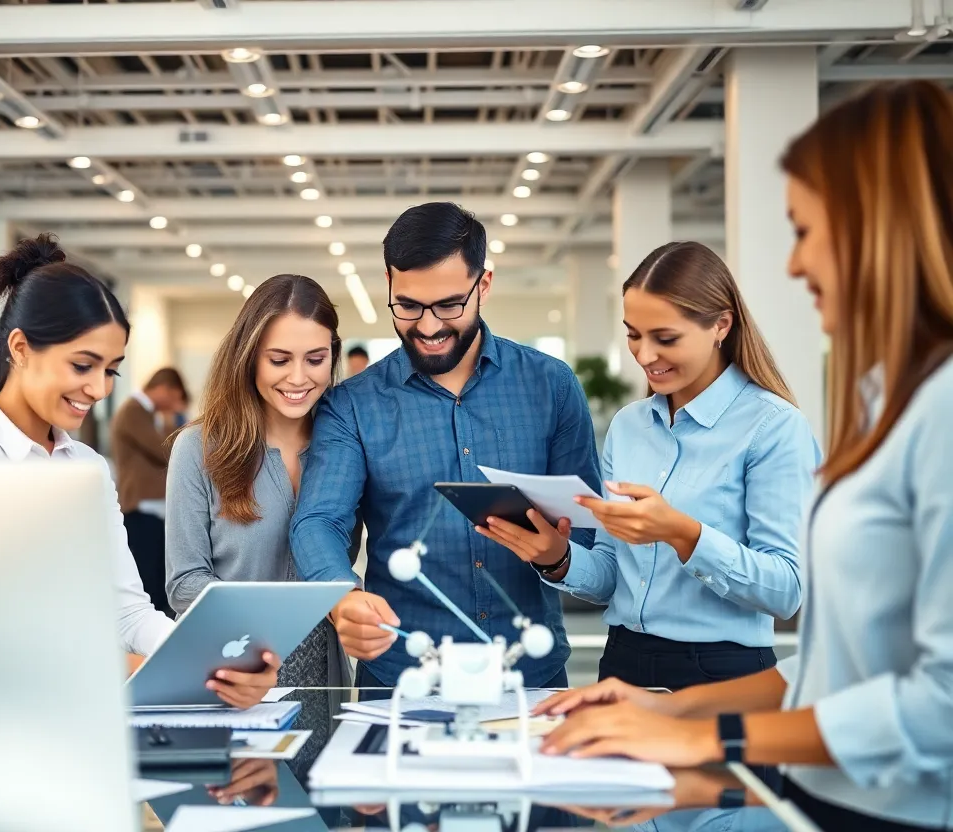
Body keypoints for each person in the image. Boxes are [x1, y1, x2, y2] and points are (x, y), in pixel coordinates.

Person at [532, 80, 953, 831]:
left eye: (806, 230)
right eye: (635, 336)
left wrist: (701, 729)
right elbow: (835, 669)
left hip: (861, 784)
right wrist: (561, 564)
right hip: (705, 704)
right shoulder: (886, 403)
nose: (792, 266)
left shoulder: (816, 423)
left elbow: (927, 697)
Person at [0, 233, 279, 709]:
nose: (99, 388)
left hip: (84, 714)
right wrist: (138, 667)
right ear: (21, 348)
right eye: (83, 365)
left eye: (111, 369)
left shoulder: (87, 467)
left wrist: (211, 661)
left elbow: (128, 611)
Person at [290, 201, 602, 692]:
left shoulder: (552, 387)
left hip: (530, 675)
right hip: (401, 678)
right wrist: (342, 595)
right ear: (389, 287)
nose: (429, 326)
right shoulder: (353, 405)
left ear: (484, 285)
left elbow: (586, 536)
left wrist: (556, 555)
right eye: (408, 306)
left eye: (450, 305)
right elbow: (318, 521)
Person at [490, 240, 818, 692]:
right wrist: (558, 558)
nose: (644, 356)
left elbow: (786, 591)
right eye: (633, 334)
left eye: (665, 338)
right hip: (624, 663)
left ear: (721, 325)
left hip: (722, 676)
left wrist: (682, 533)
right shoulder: (628, 427)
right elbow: (611, 577)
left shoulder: (773, 428)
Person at [165, 273, 350, 688]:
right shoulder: (199, 447)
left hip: (321, 672)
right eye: (279, 360)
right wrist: (267, 624)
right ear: (249, 356)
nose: (299, 378)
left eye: (316, 359)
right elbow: (183, 584)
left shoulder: (343, 446)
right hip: (229, 664)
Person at [110, 367, 189, 617]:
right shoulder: (133, 411)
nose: (176, 404)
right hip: (141, 510)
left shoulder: (147, 413)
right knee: (149, 587)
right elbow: (167, 451)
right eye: (174, 396)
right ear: (163, 388)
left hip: (154, 511)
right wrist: (173, 417)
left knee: (157, 581)